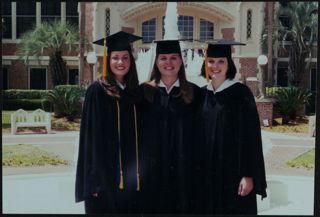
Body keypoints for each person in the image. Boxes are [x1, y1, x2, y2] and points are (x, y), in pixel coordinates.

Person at [194, 39, 267, 214]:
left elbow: (252, 138)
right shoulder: (201, 95)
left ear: (229, 64)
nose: (215, 66)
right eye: (211, 61)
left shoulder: (241, 93)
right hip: (207, 175)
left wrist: (248, 175)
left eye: (221, 61)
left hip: (234, 175)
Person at [75, 31, 143, 214]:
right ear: (108, 60)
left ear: (131, 60)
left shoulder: (134, 93)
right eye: (115, 58)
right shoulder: (97, 91)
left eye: (125, 58)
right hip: (104, 179)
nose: (120, 62)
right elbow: (89, 140)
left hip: (130, 180)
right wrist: (93, 181)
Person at [139, 39, 201, 214]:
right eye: (163, 58)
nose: (168, 62)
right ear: (156, 62)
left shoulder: (195, 93)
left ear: (181, 61)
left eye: (174, 57)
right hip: (151, 170)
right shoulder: (143, 92)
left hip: (184, 170)